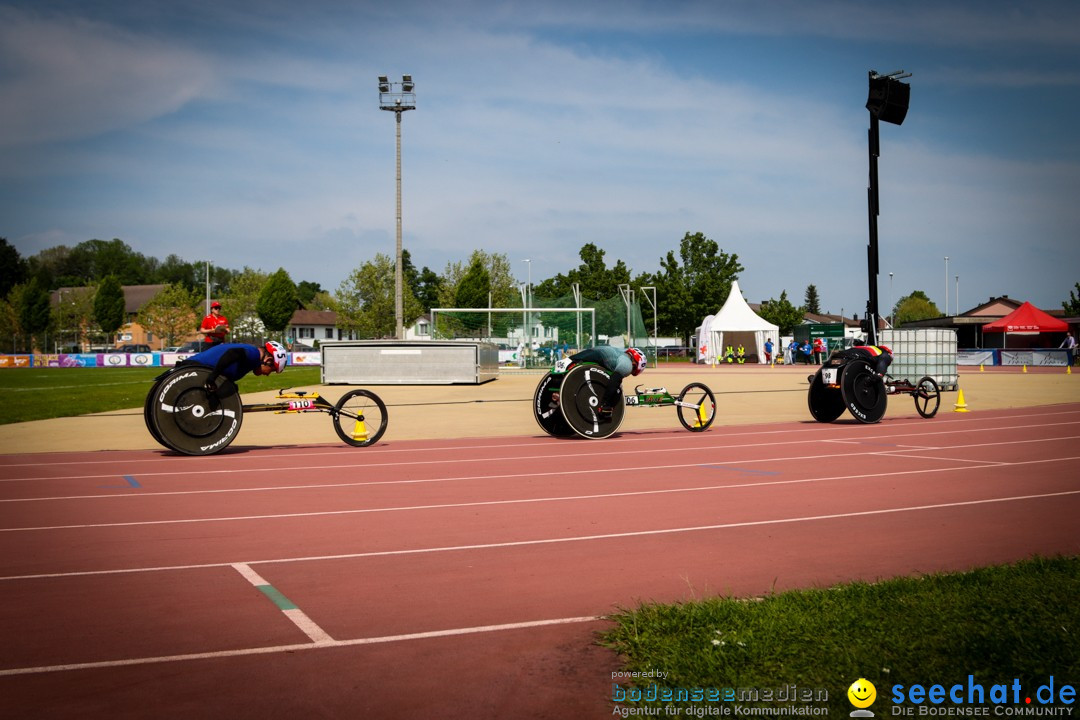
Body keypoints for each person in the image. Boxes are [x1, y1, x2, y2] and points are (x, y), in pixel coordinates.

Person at [557, 345, 646, 417]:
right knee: (617, 390)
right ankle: (606, 407)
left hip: (592, 352)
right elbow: (614, 381)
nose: (629, 373)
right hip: (598, 356)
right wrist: (606, 404)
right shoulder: (627, 365)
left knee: (569, 364)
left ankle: (558, 384)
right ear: (635, 364)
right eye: (633, 372)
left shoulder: (619, 353)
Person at [181, 341, 288, 392]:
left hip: (193, 368)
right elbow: (232, 354)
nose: (268, 374)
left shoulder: (251, 360)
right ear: (268, 360)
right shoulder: (254, 354)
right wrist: (213, 377)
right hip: (191, 368)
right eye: (272, 370)